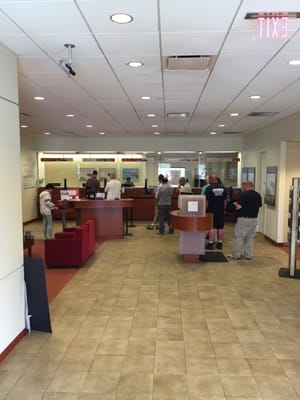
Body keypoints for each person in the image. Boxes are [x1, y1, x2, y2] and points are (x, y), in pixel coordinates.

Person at [228, 180, 262, 260]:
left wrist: (235, 204)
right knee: (250, 238)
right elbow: (259, 206)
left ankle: (236, 255)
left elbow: (239, 206)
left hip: (244, 219)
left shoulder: (244, 194)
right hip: (254, 219)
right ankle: (248, 255)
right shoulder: (258, 195)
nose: (242, 188)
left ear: (246, 186)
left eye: (243, 186)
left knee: (238, 237)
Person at [205, 174, 227, 250]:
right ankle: (220, 243)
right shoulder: (223, 188)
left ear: (211, 180)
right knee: (220, 227)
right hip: (220, 210)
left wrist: (205, 210)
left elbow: (206, 201)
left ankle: (211, 243)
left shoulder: (209, 188)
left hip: (211, 211)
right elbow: (225, 201)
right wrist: (223, 209)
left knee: (211, 227)